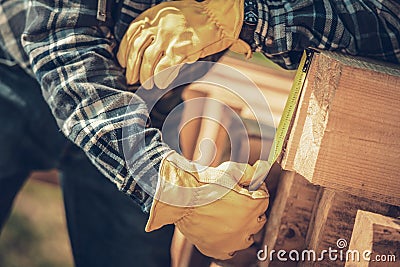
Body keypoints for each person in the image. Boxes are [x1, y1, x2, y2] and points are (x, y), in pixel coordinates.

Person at [1, 0, 399, 265]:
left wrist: (246, 15)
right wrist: (167, 185)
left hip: (144, 112)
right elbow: (61, 43)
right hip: (13, 85)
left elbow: (388, 24)